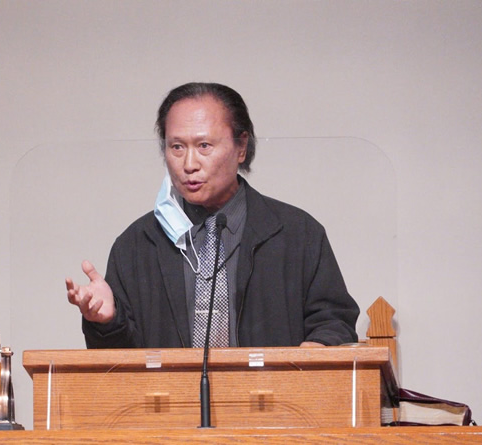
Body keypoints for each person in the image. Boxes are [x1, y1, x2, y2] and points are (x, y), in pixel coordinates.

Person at [66, 82, 359, 349]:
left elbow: (334, 320)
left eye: (204, 146)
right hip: (173, 393)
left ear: (241, 147)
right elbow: (119, 363)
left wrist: (317, 348)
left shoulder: (297, 233)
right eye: (177, 147)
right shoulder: (136, 245)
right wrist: (107, 322)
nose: (189, 164)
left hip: (270, 391)